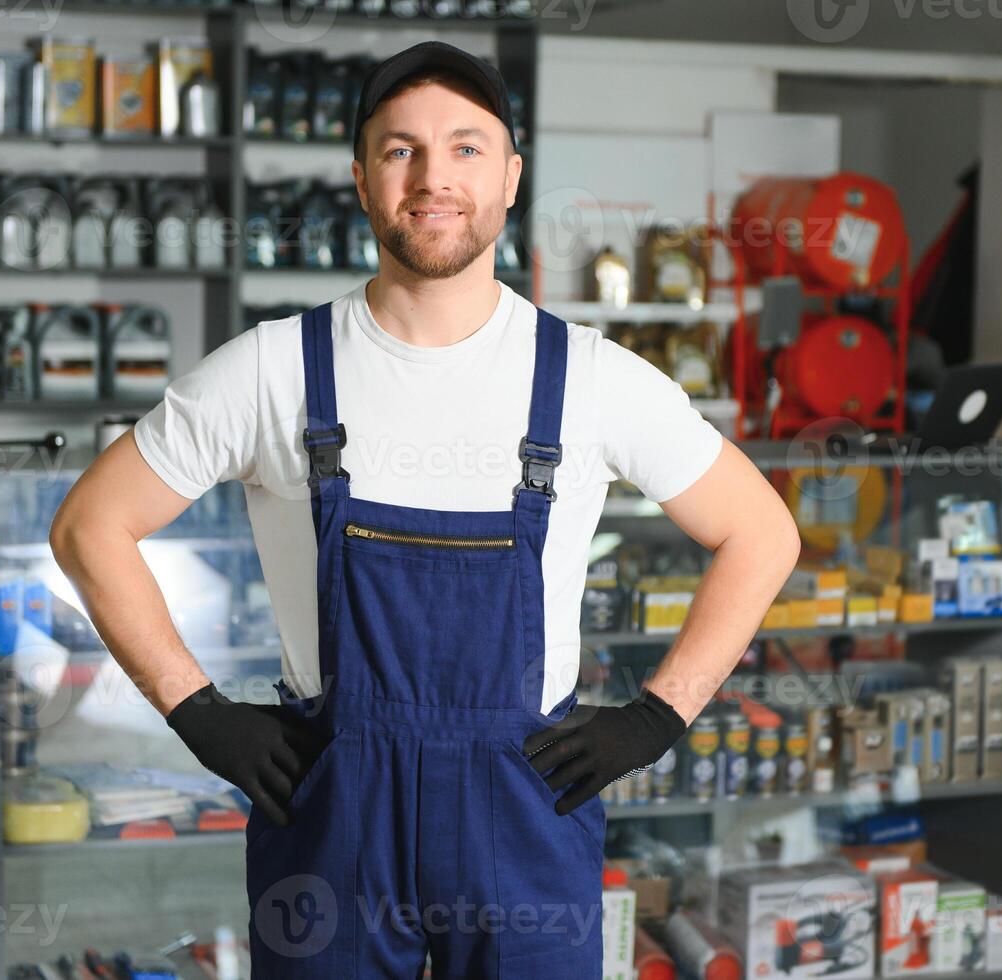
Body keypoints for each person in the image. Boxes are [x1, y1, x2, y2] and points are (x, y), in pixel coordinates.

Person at [49, 39, 799, 978]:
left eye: (466, 148)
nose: (433, 177)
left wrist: (656, 718)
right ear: (361, 178)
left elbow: (762, 531)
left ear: (512, 177)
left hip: (525, 804)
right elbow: (89, 527)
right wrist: (197, 712)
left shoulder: (591, 379)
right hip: (333, 809)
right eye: (400, 149)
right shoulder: (271, 368)